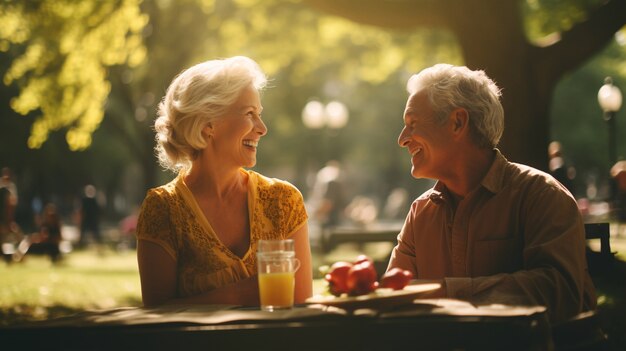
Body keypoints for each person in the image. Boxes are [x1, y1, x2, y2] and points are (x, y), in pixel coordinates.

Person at [388, 64, 596, 324]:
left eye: (413, 124)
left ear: (457, 122)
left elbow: (560, 293)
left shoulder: (542, 196)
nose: (402, 138)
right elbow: (393, 299)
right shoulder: (420, 212)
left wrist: (445, 292)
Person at [136, 56, 312, 307]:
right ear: (209, 124)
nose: (262, 128)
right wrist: (242, 294)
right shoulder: (163, 209)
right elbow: (156, 320)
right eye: (250, 114)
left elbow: (304, 311)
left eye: (259, 114)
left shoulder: (283, 201)